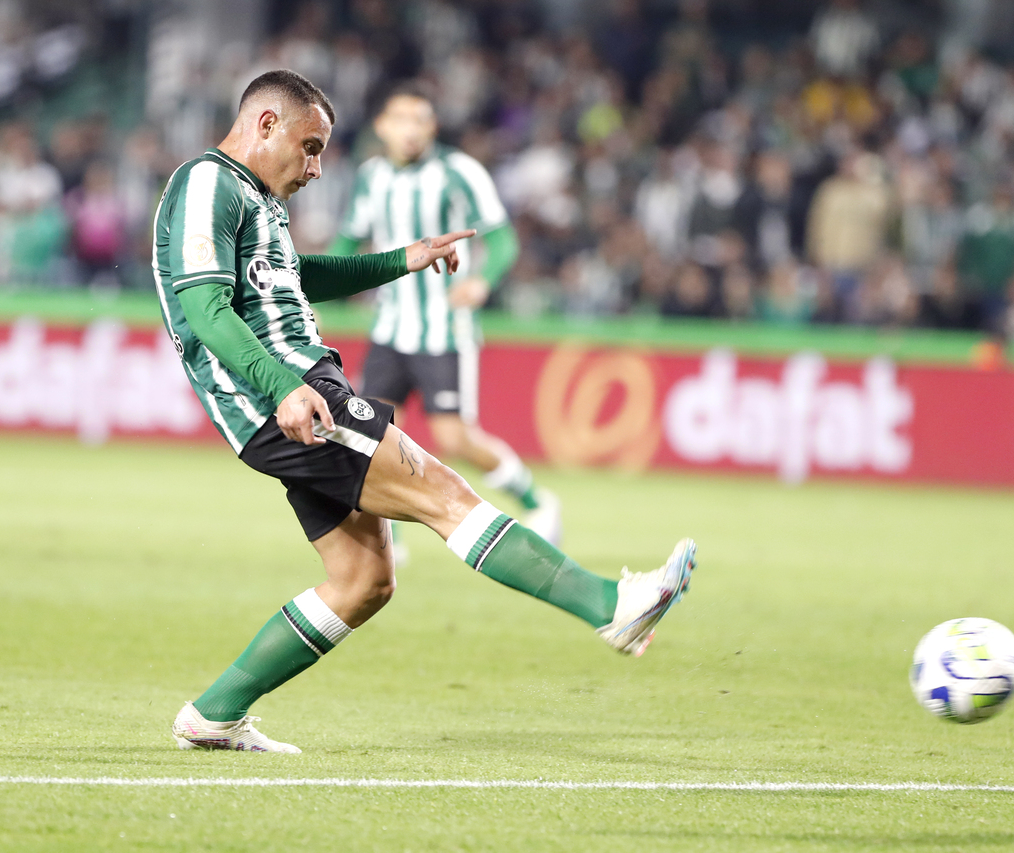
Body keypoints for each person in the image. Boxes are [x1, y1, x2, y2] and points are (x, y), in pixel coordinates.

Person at [154, 70, 696, 753]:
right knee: (446, 493)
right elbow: (204, 310)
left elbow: (296, 275)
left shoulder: (254, 195)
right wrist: (282, 387)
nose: (318, 167)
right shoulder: (207, 182)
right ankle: (609, 606)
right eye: (312, 146)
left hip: (293, 390)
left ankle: (215, 712)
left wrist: (401, 260)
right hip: (287, 394)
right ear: (266, 125)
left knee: (364, 581)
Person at [326, 83, 563, 547]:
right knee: (371, 437)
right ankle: (384, 538)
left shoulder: (460, 172)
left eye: (421, 121)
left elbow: (502, 239)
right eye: (402, 120)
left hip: (444, 329)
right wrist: (303, 279)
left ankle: (537, 502)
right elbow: (346, 244)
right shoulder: (371, 176)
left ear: (432, 127)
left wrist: (481, 280)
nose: (412, 130)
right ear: (382, 127)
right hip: (390, 328)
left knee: (453, 438)